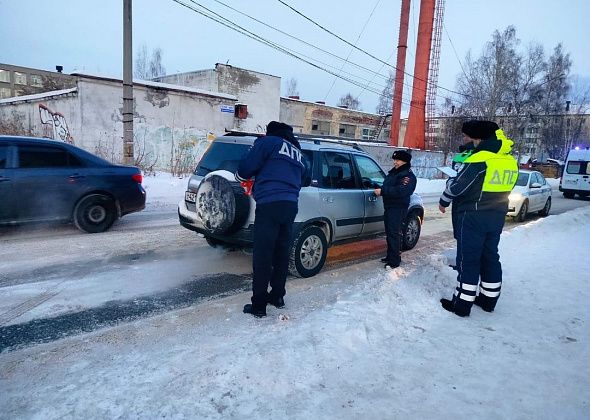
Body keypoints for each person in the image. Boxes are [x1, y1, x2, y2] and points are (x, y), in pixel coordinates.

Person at [438, 120, 518, 317]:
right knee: (490, 256)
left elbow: (458, 187)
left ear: (478, 137)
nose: (465, 140)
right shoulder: (508, 159)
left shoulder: (480, 159)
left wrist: (445, 196)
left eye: (467, 136)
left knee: (468, 259)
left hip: (473, 216)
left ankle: (461, 305)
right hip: (497, 215)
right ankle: (489, 300)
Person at [235, 121, 306, 318]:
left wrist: (241, 176)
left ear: (271, 132)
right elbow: (305, 178)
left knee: (263, 254)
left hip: (269, 204)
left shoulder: (269, 143)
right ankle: (277, 296)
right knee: (281, 252)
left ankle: (258, 305)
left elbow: (246, 168)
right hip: (290, 205)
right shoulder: (297, 151)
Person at [374, 150, 417, 269]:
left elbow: (402, 190)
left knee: (395, 233)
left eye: (397, 160)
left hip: (398, 208)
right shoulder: (395, 173)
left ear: (405, 161)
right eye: (394, 160)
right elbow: (390, 185)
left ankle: (395, 261)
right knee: (390, 233)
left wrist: (383, 191)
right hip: (390, 206)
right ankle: (390, 256)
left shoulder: (407, 175)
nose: (395, 162)